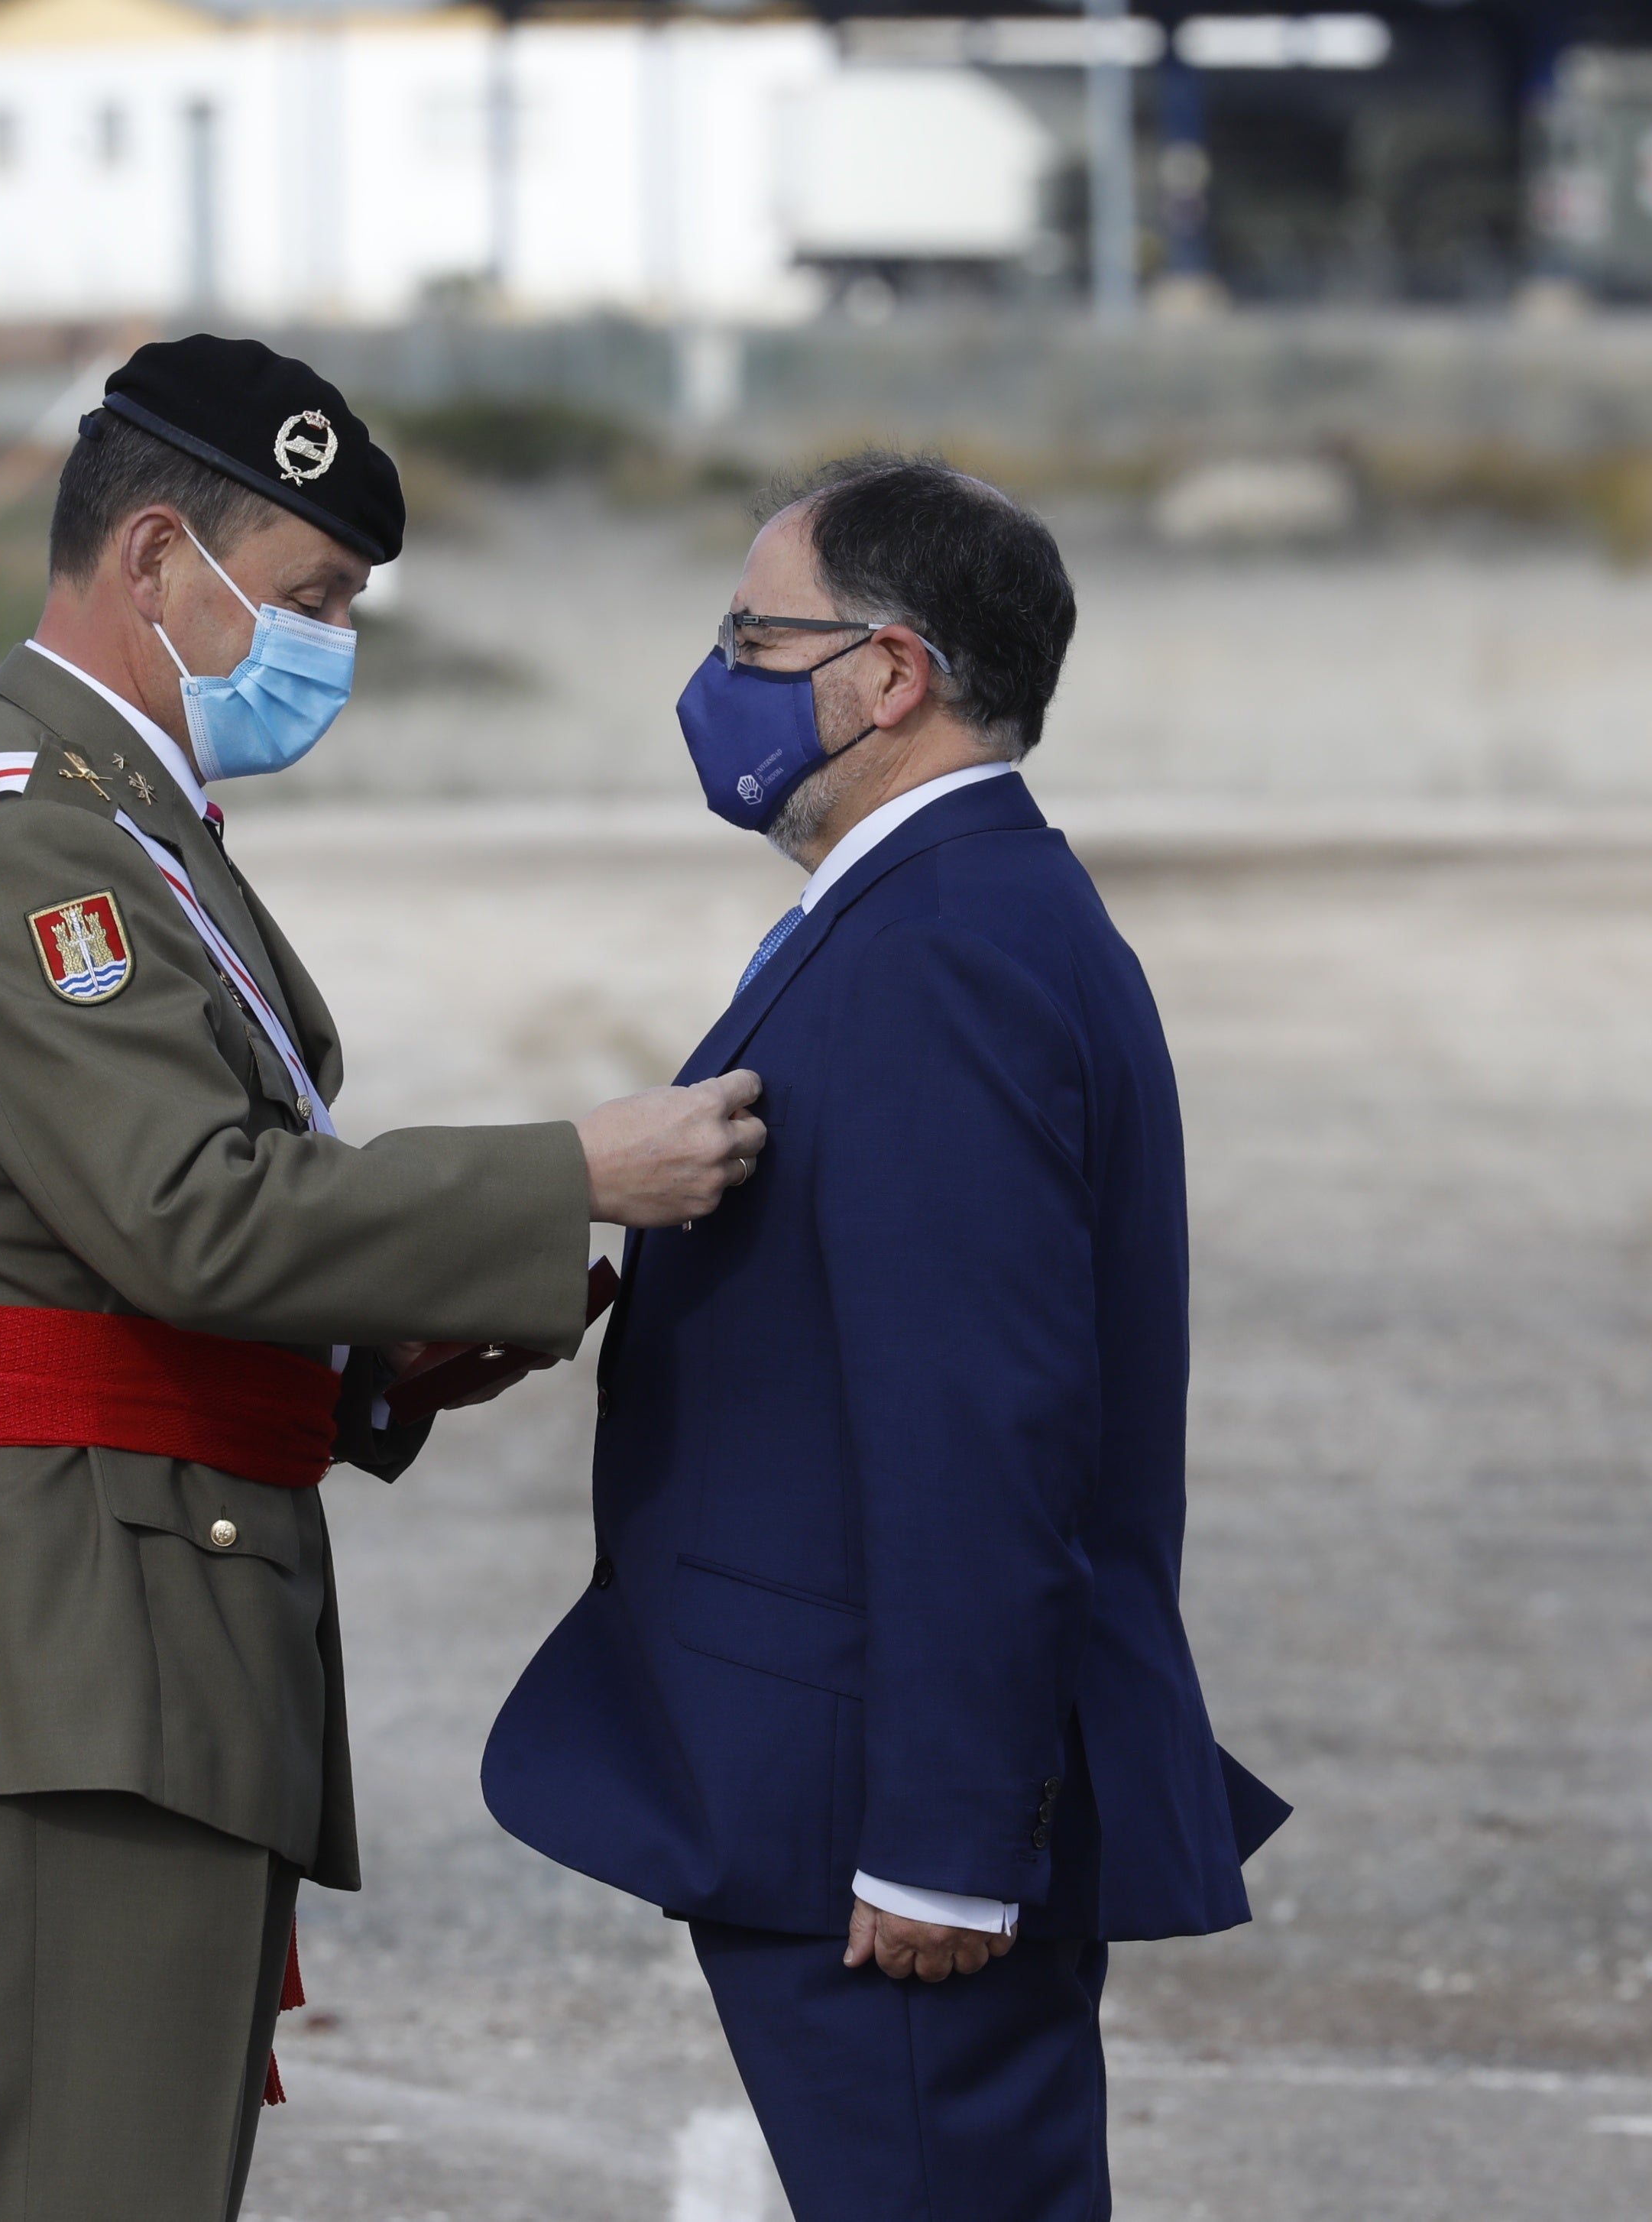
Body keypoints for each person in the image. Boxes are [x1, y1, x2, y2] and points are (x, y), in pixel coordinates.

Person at [0, 333, 764, 2222]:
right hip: (67, 1632)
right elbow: (192, 1209)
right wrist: (572, 1168)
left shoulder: (121, 824)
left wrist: (369, 1370)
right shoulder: (30, 852)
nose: (335, 640)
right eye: (311, 595)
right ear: (156, 560)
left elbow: (100, 1255)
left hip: (109, 1612)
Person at [481, 453, 1288, 2220]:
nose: (721, 679)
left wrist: (943, 1839)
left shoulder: (942, 947)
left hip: (877, 1820)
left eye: (756, 638)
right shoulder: (944, 910)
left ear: (890, 672)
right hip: (844, 1787)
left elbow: (980, 1421)